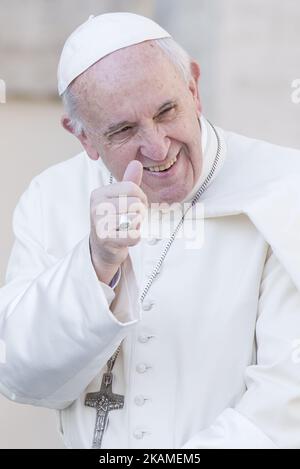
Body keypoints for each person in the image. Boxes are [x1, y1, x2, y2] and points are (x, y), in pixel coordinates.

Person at [0, 12, 300, 449]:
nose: (158, 147)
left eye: (167, 111)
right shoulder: (52, 197)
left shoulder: (283, 187)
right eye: (123, 130)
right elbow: (21, 374)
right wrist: (97, 263)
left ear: (194, 88)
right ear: (82, 136)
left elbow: (284, 405)